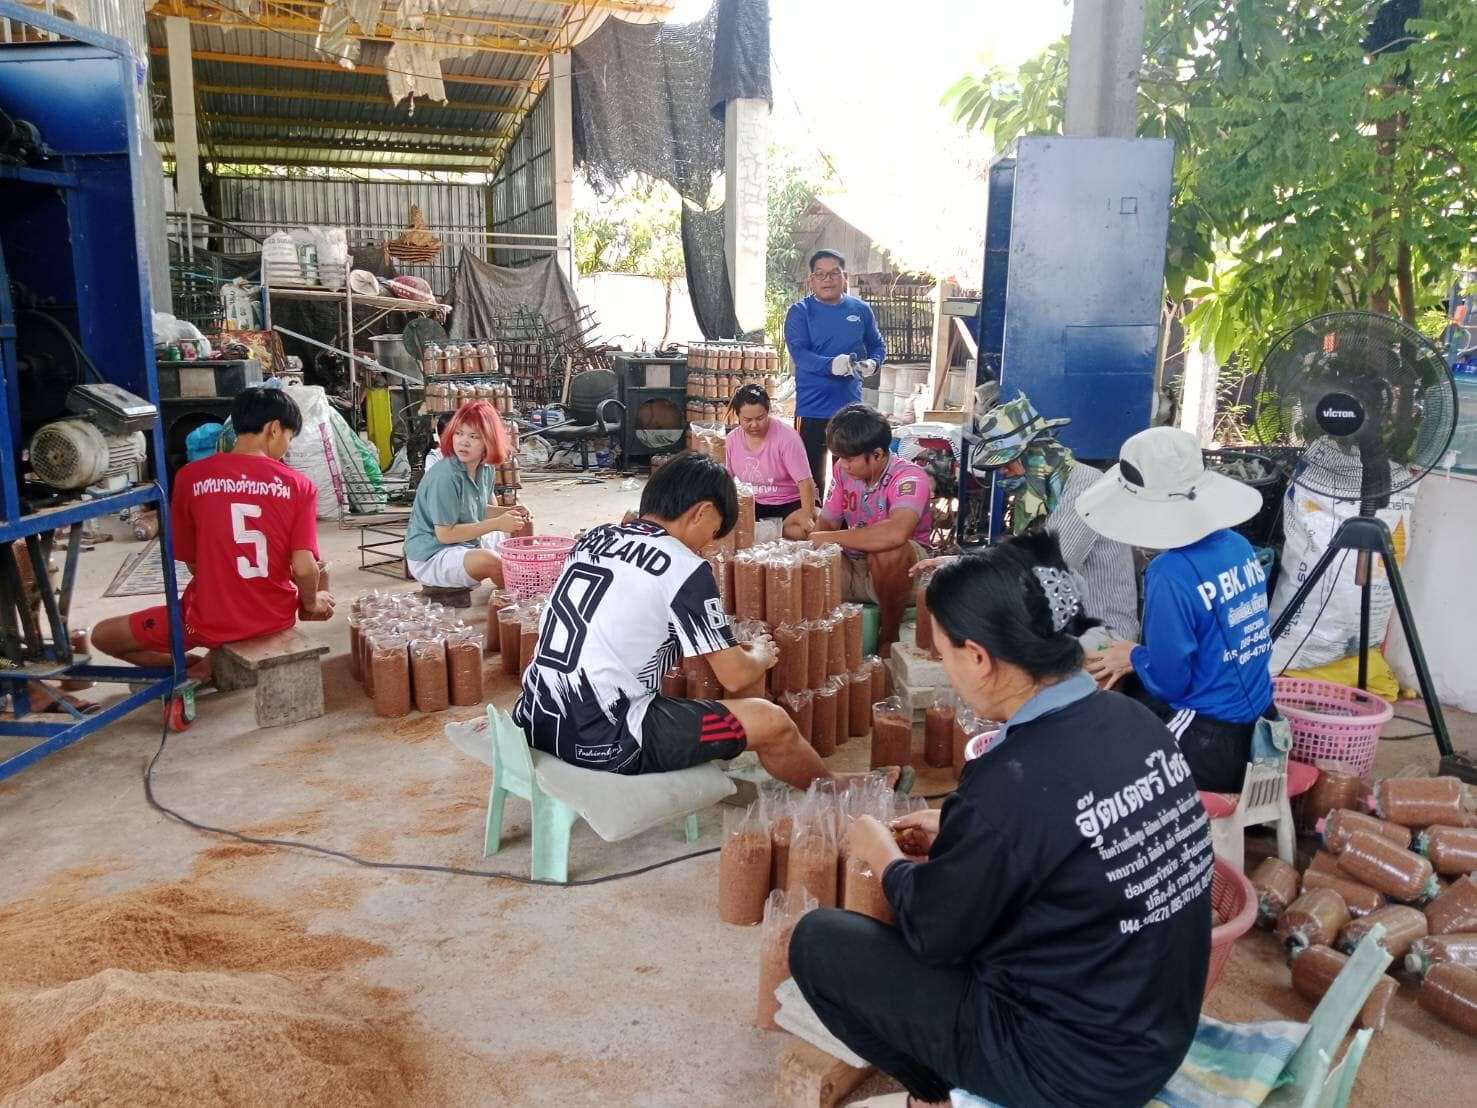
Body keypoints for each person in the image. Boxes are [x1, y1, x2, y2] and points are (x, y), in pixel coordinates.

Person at [789, 542, 1212, 1108]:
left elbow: (937, 933)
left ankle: (938, 1092)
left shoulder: (1008, 782)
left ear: (981, 658)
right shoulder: (1138, 722)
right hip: (1156, 1032)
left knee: (819, 945)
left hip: (1070, 1070)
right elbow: (1068, 835)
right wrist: (962, 831)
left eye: (944, 656)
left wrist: (884, 856)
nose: (947, 671)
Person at [514, 453, 906, 791]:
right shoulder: (684, 567)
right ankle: (831, 787)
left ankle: (735, 751)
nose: (710, 543)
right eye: (714, 530)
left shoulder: (594, 538)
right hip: (606, 739)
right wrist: (758, 653)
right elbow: (735, 676)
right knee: (772, 722)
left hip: (536, 717)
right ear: (701, 512)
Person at [1076, 426, 1275, 793]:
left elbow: (1172, 681)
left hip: (1211, 745)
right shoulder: (1237, 545)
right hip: (1262, 727)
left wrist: (1133, 655)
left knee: (1099, 760)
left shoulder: (1169, 574)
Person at [93, 387, 332, 680]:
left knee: (102, 636)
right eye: (289, 438)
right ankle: (207, 668)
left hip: (206, 620)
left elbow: (192, 563)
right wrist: (311, 602)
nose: (287, 447)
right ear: (274, 429)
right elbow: (305, 568)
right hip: (274, 618)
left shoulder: (190, 477)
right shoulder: (298, 485)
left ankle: (191, 667)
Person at [915, 391, 1140, 640]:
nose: (1004, 473)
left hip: (1103, 637)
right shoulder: (1048, 493)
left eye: (1008, 463)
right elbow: (1026, 554)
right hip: (1067, 621)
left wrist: (967, 566)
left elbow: (1046, 565)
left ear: (1035, 453)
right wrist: (957, 561)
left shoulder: (1085, 489)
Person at [810, 404, 931, 651]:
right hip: (855, 566)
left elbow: (895, 533)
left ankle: (888, 638)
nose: (843, 465)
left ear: (877, 454)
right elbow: (828, 522)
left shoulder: (910, 478)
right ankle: (815, 641)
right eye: (840, 457)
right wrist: (813, 544)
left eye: (850, 458)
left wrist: (824, 536)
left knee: (889, 549)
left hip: (903, 574)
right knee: (800, 563)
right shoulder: (843, 472)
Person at [785, 249, 887, 489]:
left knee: (851, 478)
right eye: (820, 274)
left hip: (850, 410)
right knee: (810, 479)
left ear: (845, 277)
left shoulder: (860, 310)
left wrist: (873, 363)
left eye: (833, 273)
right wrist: (831, 364)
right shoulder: (800, 312)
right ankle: (812, 524)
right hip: (811, 410)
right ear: (811, 280)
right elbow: (799, 354)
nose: (827, 279)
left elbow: (877, 345)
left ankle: (848, 525)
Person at [404, 401, 531, 591]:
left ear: (488, 441)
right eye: (459, 433)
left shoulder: (485, 468)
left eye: (473, 436)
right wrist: (498, 523)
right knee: (490, 561)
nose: (463, 442)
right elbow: (445, 534)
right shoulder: (445, 476)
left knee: (523, 521)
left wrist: (510, 511)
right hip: (432, 554)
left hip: (465, 542)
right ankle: (523, 598)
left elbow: (479, 510)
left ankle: (526, 575)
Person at [725, 384, 817, 540]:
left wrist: (808, 517)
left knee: (805, 531)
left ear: (768, 412)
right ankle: (768, 532)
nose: (754, 424)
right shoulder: (732, 440)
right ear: (737, 416)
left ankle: (766, 532)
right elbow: (724, 480)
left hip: (788, 504)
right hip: (751, 504)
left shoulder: (787, 438)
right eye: (747, 419)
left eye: (760, 418)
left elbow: (805, 482)